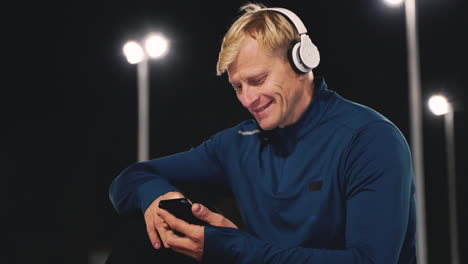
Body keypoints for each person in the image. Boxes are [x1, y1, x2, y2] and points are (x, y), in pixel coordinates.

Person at [108, 3, 417, 264]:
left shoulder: (369, 138)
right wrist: (155, 198)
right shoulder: (236, 144)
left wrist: (231, 247)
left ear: (301, 61)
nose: (247, 99)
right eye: (237, 87)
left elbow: (370, 260)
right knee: (149, 228)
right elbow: (131, 178)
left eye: (258, 79)